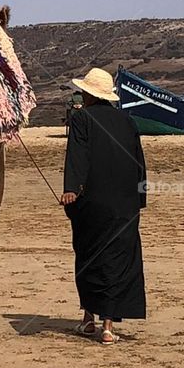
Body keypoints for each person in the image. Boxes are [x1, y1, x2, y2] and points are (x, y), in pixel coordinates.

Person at [60, 67, 146, 344]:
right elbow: (138, 162)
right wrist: (140, 198)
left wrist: (71, 189)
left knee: (89, 256)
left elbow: (77, 155)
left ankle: (88, 320)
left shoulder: (81, 119)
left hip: (92, 201)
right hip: (124, 202)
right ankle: (107, 326)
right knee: (117, 259)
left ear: (88, 94)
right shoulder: (127, 121)